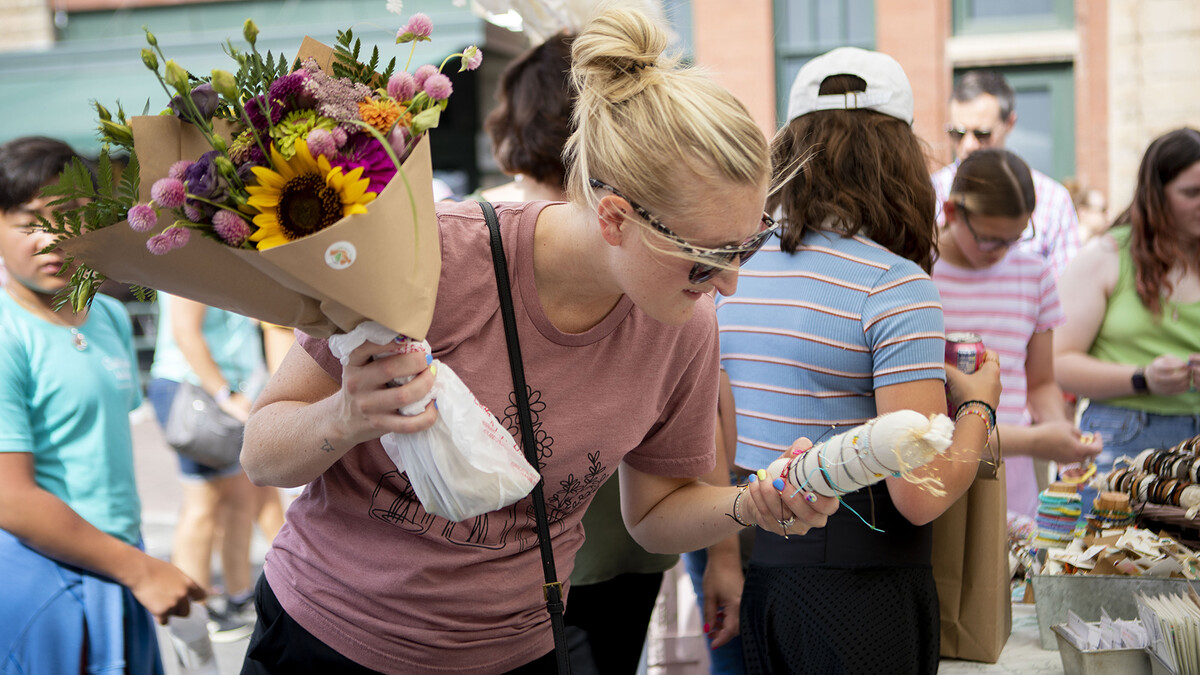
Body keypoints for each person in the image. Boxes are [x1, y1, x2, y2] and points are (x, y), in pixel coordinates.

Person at [237, 9, 837, 675]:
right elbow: (263, 453)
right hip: (328, 639)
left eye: (748, 246)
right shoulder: (434, 256)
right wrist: (345, 415)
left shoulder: (684, 322)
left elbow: (657, 511)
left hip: (515, 652)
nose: (728, 284)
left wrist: (749, 503)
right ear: (615, 217)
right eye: (706, 256)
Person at [717, 48, 1001, 674]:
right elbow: (918, 494)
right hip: (865, 587)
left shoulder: (736, 272)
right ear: (899, 160)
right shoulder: (895, 286)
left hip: (766, 576)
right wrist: (981, 402)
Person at [482, 30, 740, 674]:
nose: (728, 282)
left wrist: (730, 538)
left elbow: (701, 400)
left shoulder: (668, 285)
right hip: (544, 568)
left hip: (617, 542)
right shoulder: (480, 251)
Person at [0, 136, 204, 674]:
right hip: (39, 571)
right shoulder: (6, 332)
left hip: (116, 558)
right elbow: (9, 498)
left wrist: (132, 564)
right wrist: (139, 570)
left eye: (71, 216)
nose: (52, 238)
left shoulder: (105, 316)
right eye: (28, 221)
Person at [932, 148, 1100, 519]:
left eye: (1017, 238)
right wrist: (1041, 440)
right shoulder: (920, 271)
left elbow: (1040, 383)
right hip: (937, 476)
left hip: (1012, 479)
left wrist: (1061, 433)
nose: (1002, 252)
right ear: (951, 212)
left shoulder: (1033, 273)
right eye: (991, 239)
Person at [1055, 128, 1200, 479]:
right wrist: (1142, 378)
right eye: (1192, 193)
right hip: (1124, 442)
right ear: (1156, 195)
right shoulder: (1107, 255)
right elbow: (1057, 363)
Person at [148, 295, 266, 641]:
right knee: (203, 502)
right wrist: (225, 395)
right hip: (197, 390)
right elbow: (185, 332)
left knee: (241, 498)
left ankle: (238, 596)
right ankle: (192, 610)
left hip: (228, 392)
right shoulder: (191, 248)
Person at [932, 70, 1081, 280]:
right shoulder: (930, 193)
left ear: (1010, 123)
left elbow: (1067, 292)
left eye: (982, 134)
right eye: (958, 134)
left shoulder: (1053, 200)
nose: (968, 145)